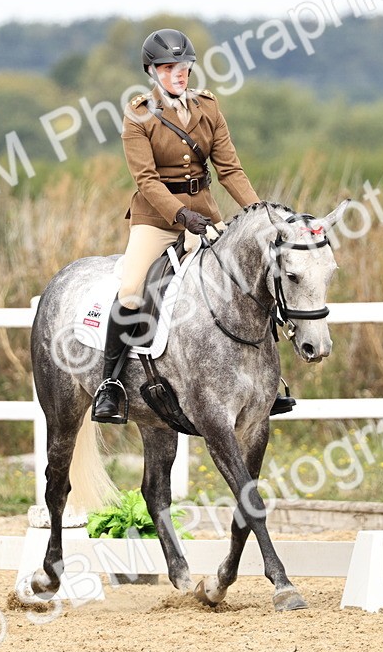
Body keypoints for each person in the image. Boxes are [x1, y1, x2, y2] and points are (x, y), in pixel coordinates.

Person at [92, 28, 261, 422]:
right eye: (168, 68)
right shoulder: (138, 114)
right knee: (133, 289)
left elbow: (230, 169)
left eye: (183, 67)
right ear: (152, 72)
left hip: (206, 214)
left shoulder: (209, 108)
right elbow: (145, 180)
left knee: (248, 279)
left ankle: (265, 381)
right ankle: (111, 385)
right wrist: (180, 216)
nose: (178, 74)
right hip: (157, 218)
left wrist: (257, 214)